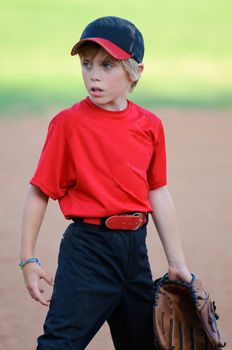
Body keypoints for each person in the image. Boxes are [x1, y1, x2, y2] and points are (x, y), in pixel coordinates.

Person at [19, 16, 192, 350]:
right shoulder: (68, 124)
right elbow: (40, 190)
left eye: (108, 65)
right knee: (60, 343)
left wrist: (176, 262)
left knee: (142, 342)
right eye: (86, 64)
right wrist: (28, 259)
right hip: (88, 251)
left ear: (136, 70)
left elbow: (157, 190)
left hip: (134, 252)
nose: (93, 74)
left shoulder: (149, 126)